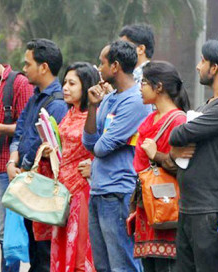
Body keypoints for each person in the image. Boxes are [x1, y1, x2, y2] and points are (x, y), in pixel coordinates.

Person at [169, 38, 218, 272]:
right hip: (190, 207)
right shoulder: (208, 106)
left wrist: (176, 144)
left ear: (215, 68)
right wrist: (175, 150)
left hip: (210, 210)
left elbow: (178, 133)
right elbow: (175, 146)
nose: (198, 66)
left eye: (203, 61)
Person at [82, 40, 151, 272]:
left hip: (120, 190)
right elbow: (89, 142)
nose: (98, 69)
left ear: (115, 66)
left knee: (122, 264)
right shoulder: (109, 98)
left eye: (102, 63)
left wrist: (99, 141)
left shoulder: (136, 101)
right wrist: (92, 107)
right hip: (99, 189)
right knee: (102, 265)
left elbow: (101, 148)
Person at [7, 38, 68, 272]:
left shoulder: (58, 104)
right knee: (33, 249)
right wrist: (13, 161)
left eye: (28, 63)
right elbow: (21, 131)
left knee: (44, 253)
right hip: (25, 179)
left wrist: (24, 165)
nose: (24, 69)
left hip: (43, 186)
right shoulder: (34, 97)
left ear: (44, 67)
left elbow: (49, 147)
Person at [132, 61, 191, 272]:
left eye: (144, 82)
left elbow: (183, 165)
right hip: (147, 206)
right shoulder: (150, 118)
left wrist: (155, 155)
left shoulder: (179, 121)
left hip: (167, 206)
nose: (140, 87)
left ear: (158, 87)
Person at [41, 62, 99, 271]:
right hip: (63, 191)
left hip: (83, 191)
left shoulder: (95, 116)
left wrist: (94, 166)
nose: (65, 87)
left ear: (86, 86)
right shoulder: (70, 113)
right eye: (65, 82)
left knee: (81, 251)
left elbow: (103, 149)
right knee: (63, 247)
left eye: (72, 83)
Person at [0, 57, 33, 272]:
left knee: (6, 237)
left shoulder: (18, 83)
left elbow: (26, 127)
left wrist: (0, 127)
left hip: (5, 168)